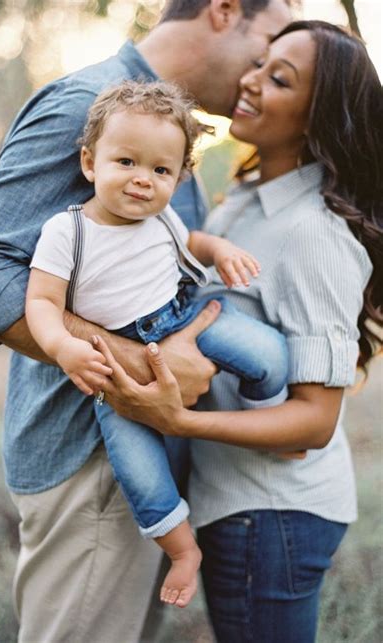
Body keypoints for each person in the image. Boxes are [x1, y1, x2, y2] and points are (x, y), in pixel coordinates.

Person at [0, 0, 292, 640]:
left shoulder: (170, 136)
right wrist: (141, 365)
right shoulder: (88, 105)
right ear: (224, 11)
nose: (259, 73)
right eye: (265, 45)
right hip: (93, 465)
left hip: (146, 468)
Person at [95, 20, 383, 642]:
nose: (251, 81)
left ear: (317, 116)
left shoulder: (315, 233)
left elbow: (313, 423)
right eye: (260, 63)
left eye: (279, 79)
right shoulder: (243, 199)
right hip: (239, 503)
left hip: (275, 515)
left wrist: (180, 420)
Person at [25, 79, 289, 608]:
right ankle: (183, 549)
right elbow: (41, 304)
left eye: (161, 170)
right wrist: (61, 347)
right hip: (118, 369)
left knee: (269, 354)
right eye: (126, 162)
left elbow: (192, 242)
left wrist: (221, 250)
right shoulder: (66, 231)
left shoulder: (161, 215)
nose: (143, 180)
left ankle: (267, 420)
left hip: (186, 315)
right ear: (89, 163)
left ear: (178, 177)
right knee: (142, 478)